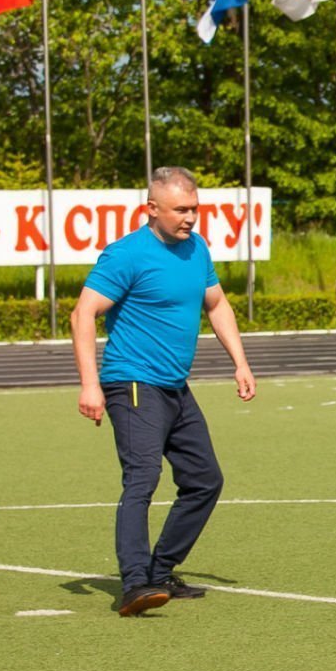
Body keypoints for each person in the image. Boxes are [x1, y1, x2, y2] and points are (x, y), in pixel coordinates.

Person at [70, 167, 256, 617]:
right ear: (151, 209)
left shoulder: (197, 248)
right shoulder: (126, 255)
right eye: (180, 210)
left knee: (205, 479)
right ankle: (135, 582)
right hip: (133, 383)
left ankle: (161, 570)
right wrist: (90, 384)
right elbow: (83, 314)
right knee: (142, 478)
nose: (190, 218)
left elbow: (217, 304)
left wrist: (240, 362)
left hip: (175, 388)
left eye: (195, 209)